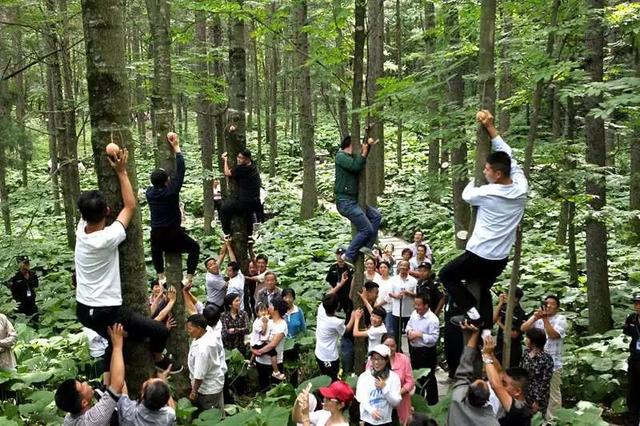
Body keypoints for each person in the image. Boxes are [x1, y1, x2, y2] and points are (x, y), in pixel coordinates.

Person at [74, 148, 178, 374]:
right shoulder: (108, 237)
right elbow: (130, 206)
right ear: (108, 211)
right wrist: (121, 171)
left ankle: (106, 382)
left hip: (83, 310)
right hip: (107, 311)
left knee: (115, 340)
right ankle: (159, 357)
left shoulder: (81, 230)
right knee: (159, 331)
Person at [439, 110, 528, 333]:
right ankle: (487, 328)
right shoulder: (521, 187)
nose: (484, 171)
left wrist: (472, 180)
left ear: (498, 174)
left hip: (479, 254)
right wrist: (490, 127)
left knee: (446, 275)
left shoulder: (487, 192)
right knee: (484, 287)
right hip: (500, 258)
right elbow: (508, 153)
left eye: (487, 169)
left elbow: (467, 195)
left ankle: (473, 315)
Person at [146, 132, 200, 286]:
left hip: (157, 233)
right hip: (173, 233)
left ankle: (161, 275)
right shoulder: (172, 191)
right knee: (194, 248)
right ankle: (188, 278)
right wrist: (176, 147)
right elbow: (181, 171)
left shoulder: (150, 193)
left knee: (156, 249)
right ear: (166, 181)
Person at [55, 323, 126, 426]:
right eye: (82, 386)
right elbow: (117, 384)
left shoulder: (69, 418)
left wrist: (111, 345)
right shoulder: (93, 420)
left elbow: (106, 387)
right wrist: (117, 346)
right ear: (84, 403)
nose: (85, 382)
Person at [334, 133, 381, 262]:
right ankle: (348, 254)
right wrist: (364, 152)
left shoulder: (351, 157)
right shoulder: (341, 156)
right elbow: (355, 166)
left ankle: (367, 247)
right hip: (345, 201)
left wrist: (367, 148)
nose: (360, 148)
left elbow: (358, 163)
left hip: (353, 201)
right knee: (366, 229)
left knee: (376, 216)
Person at [520, 294, 567, 419]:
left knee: (552, 392)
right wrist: (535, 318)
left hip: (553, 363)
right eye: (547, 303)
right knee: (533, 390)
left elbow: (553, 335)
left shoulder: (560, 319)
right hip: (535, 361)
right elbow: (523, 328)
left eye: (552, 303)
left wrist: (545, 319)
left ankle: (553, 420)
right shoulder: (538, 317)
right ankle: (535, 418)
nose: (549, 305)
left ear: (557, 307)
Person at [446, 323, 499, 426]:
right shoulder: (490, 422)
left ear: (467, 392)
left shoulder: (457, 398)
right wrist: (489, 354)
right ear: (488, 399)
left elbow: (464, 368)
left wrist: (475, 333)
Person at [481, 335, 533, 425]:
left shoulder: (519, 410)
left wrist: (486, 356)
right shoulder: (521, 399)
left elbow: (496, 386)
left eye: (504, 384)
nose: (501, 385)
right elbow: (500, 372)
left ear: (517, 391)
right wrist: (491, 353)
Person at [365, 335, 415, 425]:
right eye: (387, 345)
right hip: (378, 402)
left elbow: (410, 382)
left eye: (393, 346)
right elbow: (368, 381)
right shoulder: (372, 361)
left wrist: (397, 392)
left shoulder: (404, 359)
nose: (390, 348)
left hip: (401, 401)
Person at [186, 314, 225, 413]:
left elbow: (199, 376)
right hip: (215, 381)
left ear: (199, 328)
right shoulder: (207, 331)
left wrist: (194, 392)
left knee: (210, 415)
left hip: (208, 389)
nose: (188, 331)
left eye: (190, 329)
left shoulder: (202, 349)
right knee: (217, 411)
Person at [355, 343, 402, 426]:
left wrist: (384, 388)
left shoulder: (394, 377)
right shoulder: (364, 376)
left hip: (386, 421)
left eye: (380, 359)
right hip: (368, 420)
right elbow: (361, 398)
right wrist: (371, 410)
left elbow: (396, 402)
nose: (376, 362)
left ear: (386, 360)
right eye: (373, 359)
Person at [220, 149, 262, 239]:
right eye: (238, 157)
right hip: (255, 201)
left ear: (247, 159)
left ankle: (227, 232)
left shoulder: (242, 169)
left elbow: (227, 173)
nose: (238, 160)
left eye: (241, 158)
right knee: (247, 215)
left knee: (224, 208)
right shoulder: (253, 166)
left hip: (245, 201)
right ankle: (249, 235)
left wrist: (225, 160)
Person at [405, 293, 439, 405]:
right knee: (415, 376)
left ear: (426, 305)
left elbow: (434, 338)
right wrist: (409, 332)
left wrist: (420, 335)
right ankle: (417, 400)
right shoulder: (414, 314)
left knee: (428, 377)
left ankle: (432, 402)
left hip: (426, 352)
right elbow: (408, 325)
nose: (416, 307)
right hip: (414, 350)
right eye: (415, 304)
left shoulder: (433, 319)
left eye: (418, 305)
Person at [251, 296, 289, 391]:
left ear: (276, 309)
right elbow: (255, 335)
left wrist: (258, 351)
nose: (268, 307)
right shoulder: (267, 320)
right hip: (261, 360)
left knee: (276, 389)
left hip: (275, 361)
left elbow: (273, 344)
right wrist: (252, 348)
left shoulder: (282, 325)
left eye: (271, 305)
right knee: (263, 386)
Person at [315, 294, 356, 381]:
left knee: (324, 377)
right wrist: (353, 317)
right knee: (332, 380)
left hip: (319, 353)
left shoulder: (321, 310)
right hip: (329, 357)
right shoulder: (336, 322)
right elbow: (346, 330)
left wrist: (340, 285)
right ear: (337, 306)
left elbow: (326, 298)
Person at [519, 327, 554, 415]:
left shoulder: (546, 359)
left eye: (527, 338)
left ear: (533, 342)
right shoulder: (526, 353)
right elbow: (520, 372)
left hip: (537, 397)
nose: (525, 340)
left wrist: (537, 401)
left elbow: (545, 382)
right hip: (524, 393)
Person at [493, 289, 526, 367]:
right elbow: (493, 320)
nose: (505, 297)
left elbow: (514, 335)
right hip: (500, 346)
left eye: (507, 295)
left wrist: (500, 323)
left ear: (515, 299)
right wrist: (500, 303)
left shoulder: (521, 314)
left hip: (513, 349)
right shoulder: (504, 307)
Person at [388, 261, 417, 341]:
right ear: (398, 267)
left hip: (409, 312)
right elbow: (390, 293)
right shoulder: (393, 279)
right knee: (396, 334)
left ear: (408, 268)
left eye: (405, 266)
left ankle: (412, 351)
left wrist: (408, 293)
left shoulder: (413, 280)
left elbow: (416, 295)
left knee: (410, 334)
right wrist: (396, 296)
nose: (403, 267)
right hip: (397, 312)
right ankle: (398, 351)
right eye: (401, 265)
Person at [624, 293, 640, 426]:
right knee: (633, 390)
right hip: (635, 359)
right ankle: (633, 420)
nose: (638, 306)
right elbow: (627, 332)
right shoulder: (631, 318)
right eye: (636, 303)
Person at [9, 255, 39, 321]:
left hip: (32, 303)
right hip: (21, 305)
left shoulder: (33, 274)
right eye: (24, 263)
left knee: (35, 319)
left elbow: (36, 286)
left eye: (27, 263)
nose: (26, 265)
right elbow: (12, 292)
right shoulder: (15, 277)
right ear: (19, 264)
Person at [325, 248, 355, 314]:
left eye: (341, 254)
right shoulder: (333, 267)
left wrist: (351, 294)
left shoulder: (350, 267)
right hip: (336, 295)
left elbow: (353, 281)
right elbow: (329, 281)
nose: (339, 256)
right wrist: (332, 292)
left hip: (347, 295)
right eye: (338, 254)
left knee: (348, 312)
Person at [374, 261, 395, 334]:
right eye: (381, 267)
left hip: (388, 308)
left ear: (389, 269)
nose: (383, 269)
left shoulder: (393, 280)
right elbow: (374, 292)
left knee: (388, 328)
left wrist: (378, 304)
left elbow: (390, 296)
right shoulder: (376, 279)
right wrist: (376, 304)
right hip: (377, 308)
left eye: (385, 267)